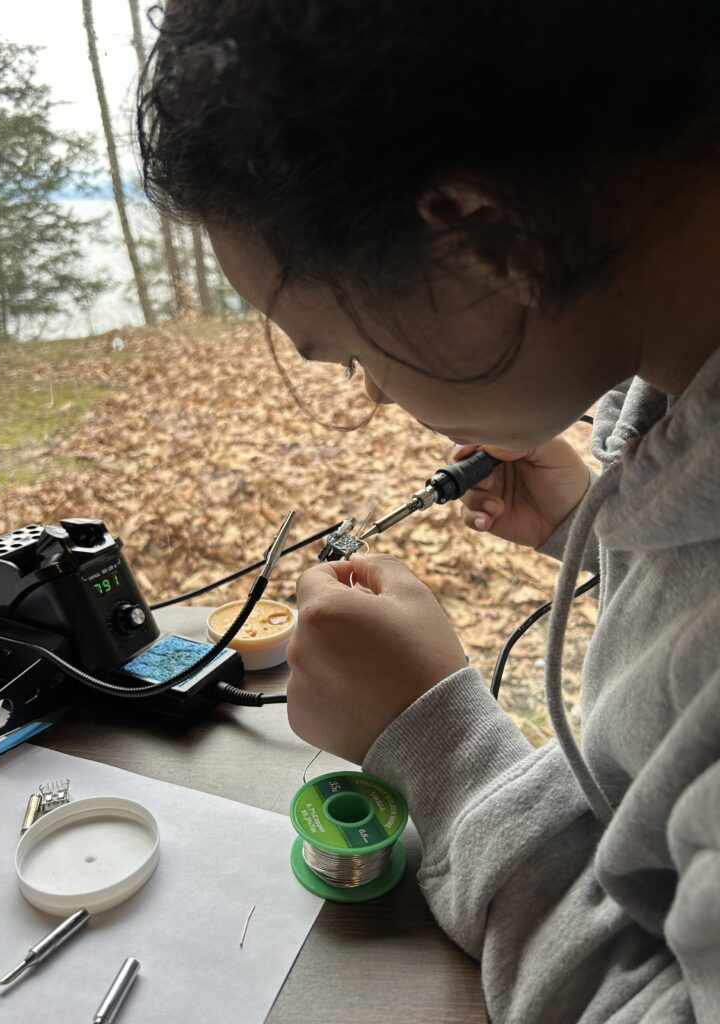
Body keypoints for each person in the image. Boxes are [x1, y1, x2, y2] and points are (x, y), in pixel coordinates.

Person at [138, 3, 720, 1020]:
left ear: (484, 241)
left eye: (351, 353)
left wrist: (437, 744)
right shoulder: (680, 377)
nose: (371, 393)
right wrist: (607, 530)